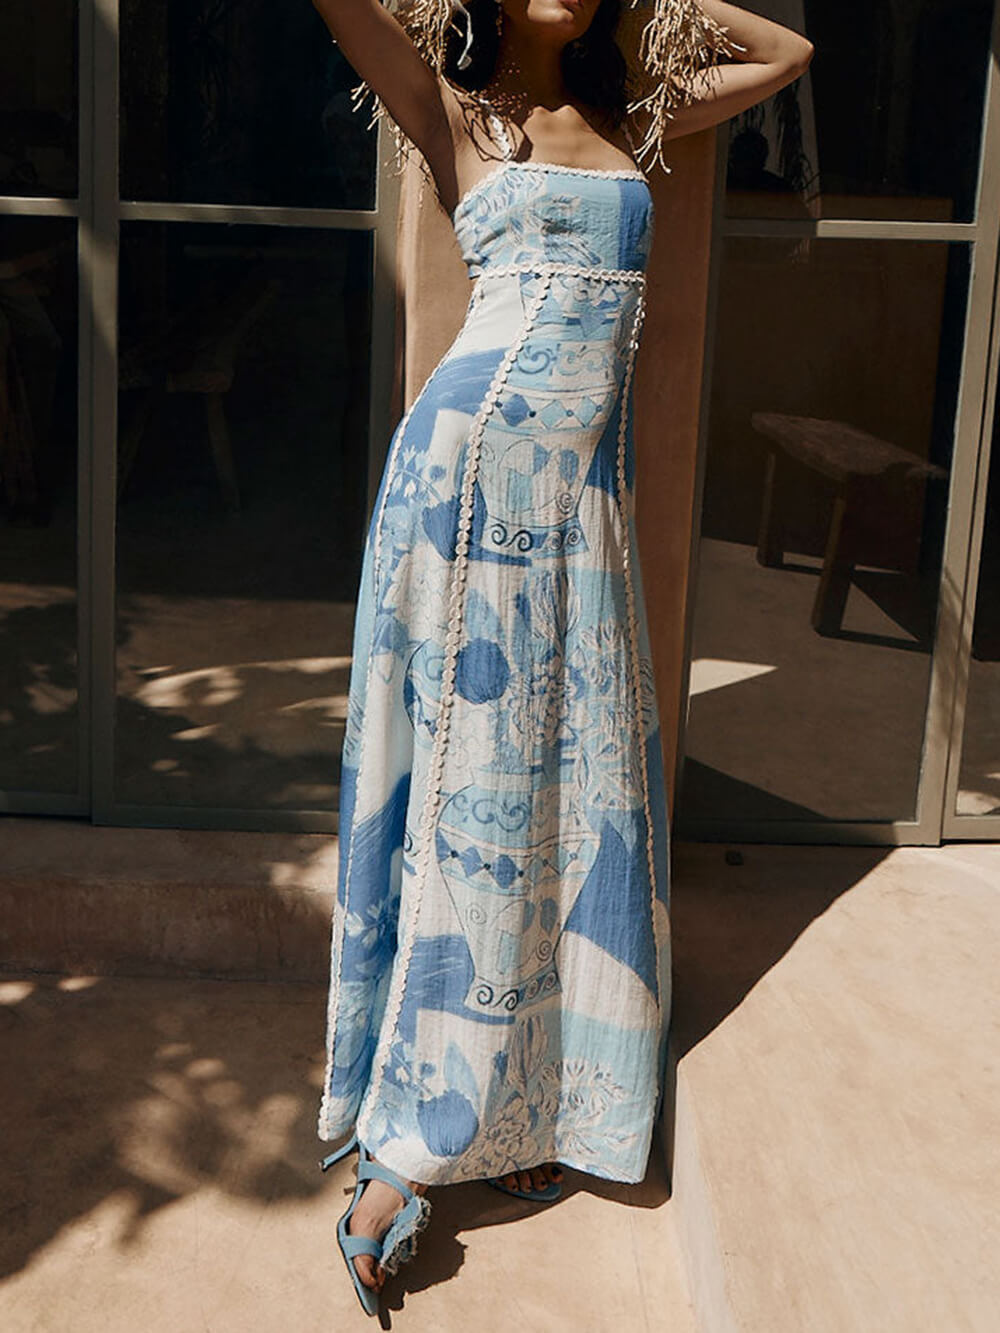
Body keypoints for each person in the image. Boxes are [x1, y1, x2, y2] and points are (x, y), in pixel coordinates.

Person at [310, 0, 812, 1314]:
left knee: (567, 802)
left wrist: (655, 15)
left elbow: (788, 55)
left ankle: (529, 1100)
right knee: (473, 801)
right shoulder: (453, 112)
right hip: (472, 484)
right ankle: (410, 1144)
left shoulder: (637, 118)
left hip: (581, 509)